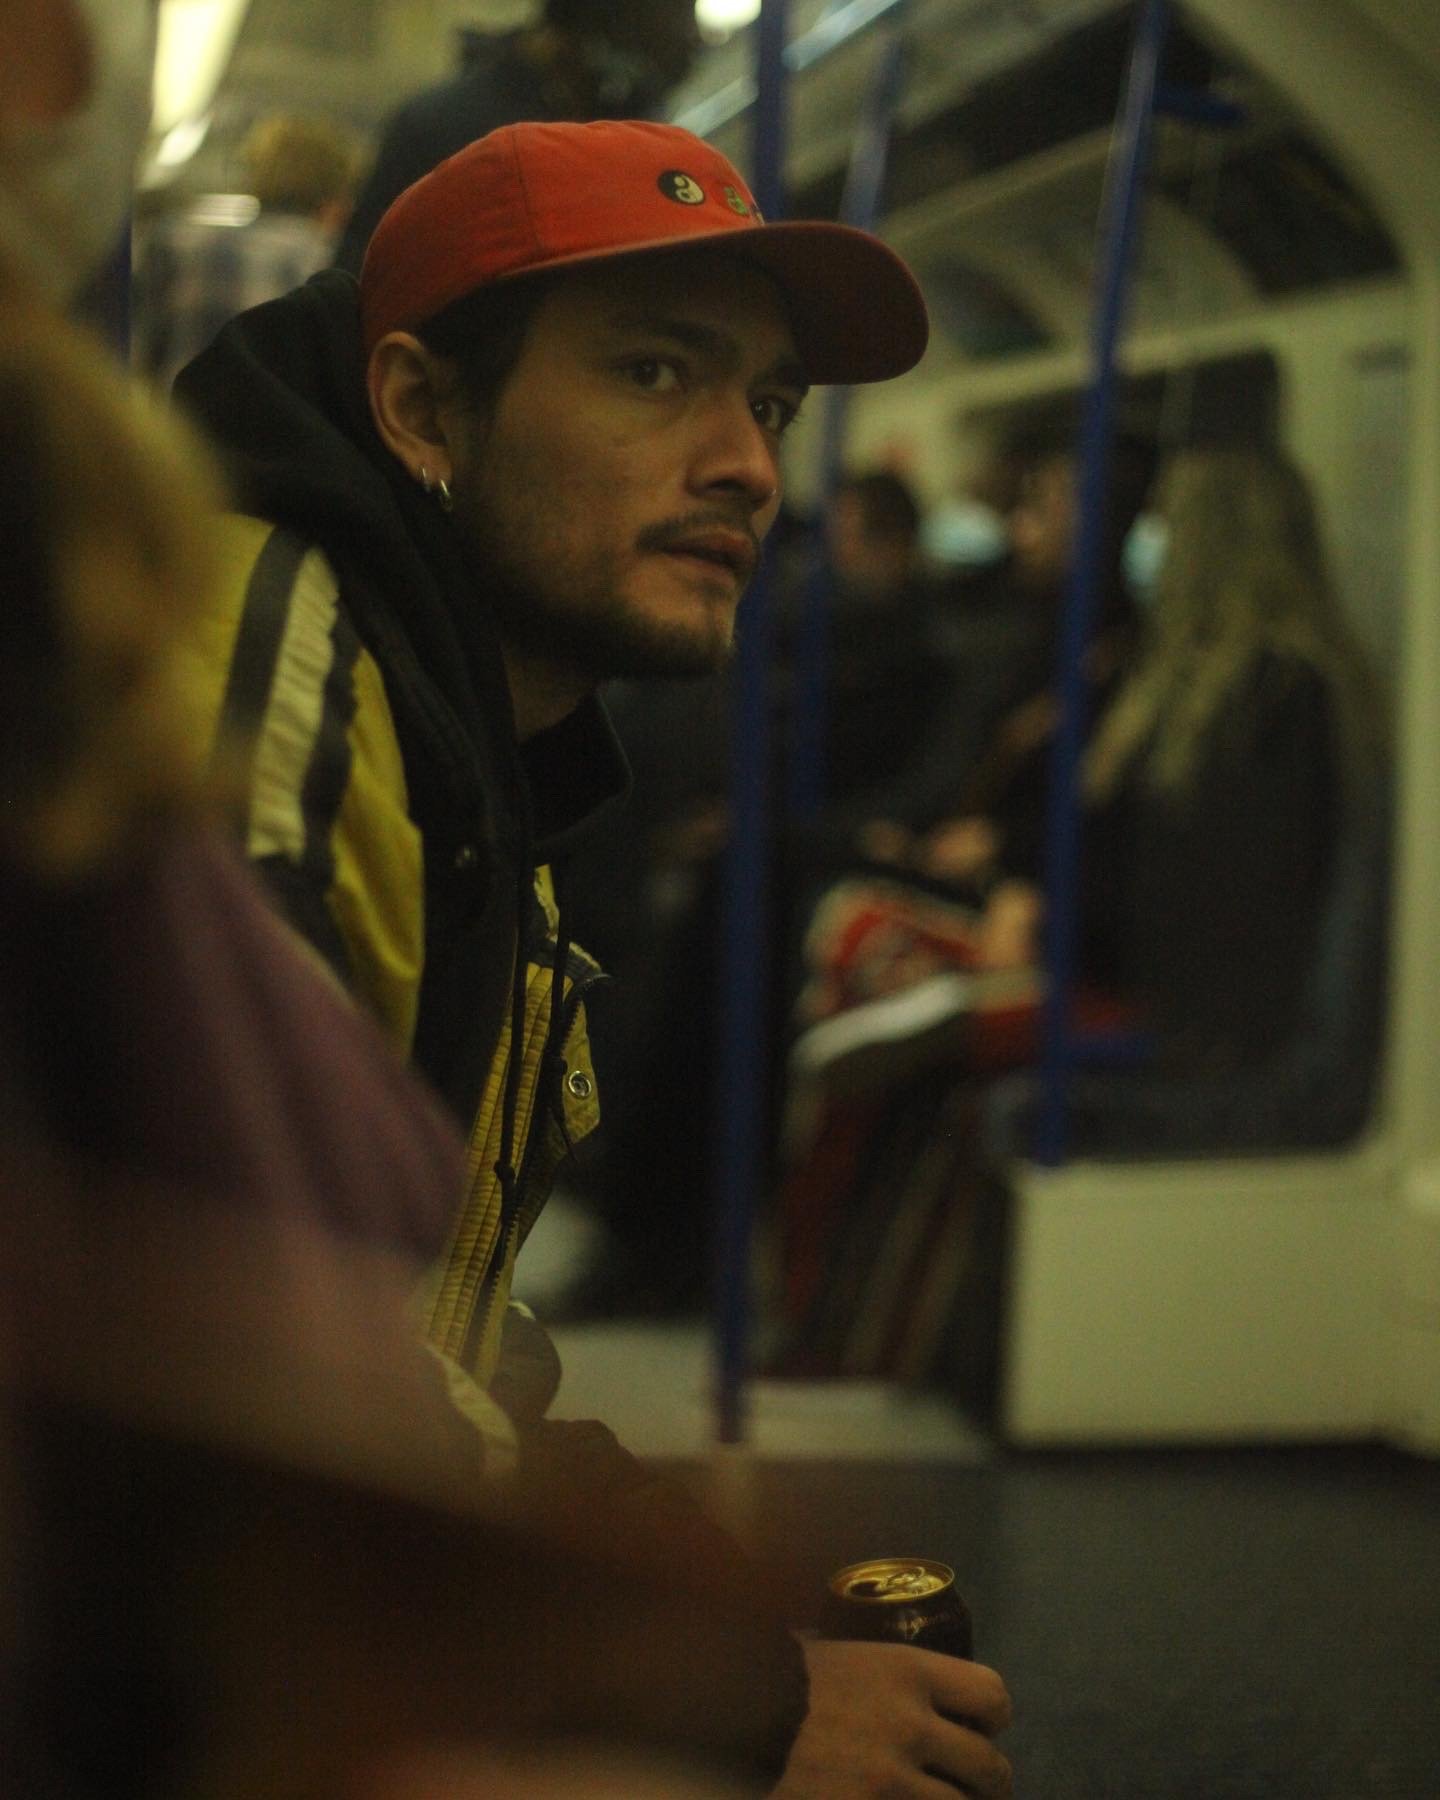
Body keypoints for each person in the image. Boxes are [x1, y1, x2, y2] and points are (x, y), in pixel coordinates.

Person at [168, 118, 1013, 1797]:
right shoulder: (288, 697)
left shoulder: (467, 757)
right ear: (422, 409)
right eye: (652, 372)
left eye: (766, 403)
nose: (747, 464)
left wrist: (708, 1604)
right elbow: (254, 1394)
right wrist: (739, 1694)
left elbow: (445, 1325)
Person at [333, 0, 702, 274]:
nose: (690, 37)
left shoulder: (642, 130)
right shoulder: (442, 127)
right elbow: (361, 285)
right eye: (664, 10)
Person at [133, 111, 359, 389]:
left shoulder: (176, 242)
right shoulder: (335, 262)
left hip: (181, 428)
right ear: (336, 191)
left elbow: (137, 356)